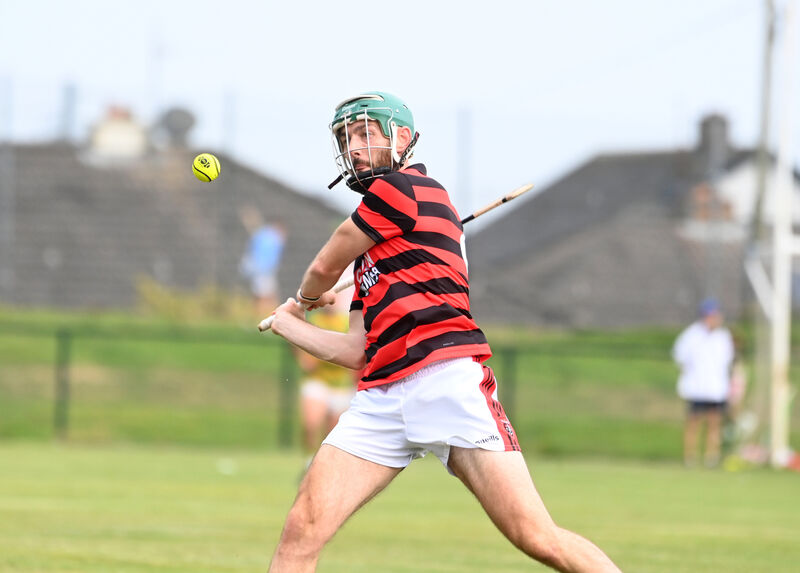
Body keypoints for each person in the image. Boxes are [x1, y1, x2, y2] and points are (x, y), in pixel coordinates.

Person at [267, 91, 622, 572]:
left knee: (536, 537)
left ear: (404, 139)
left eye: (366, 133)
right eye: (347, 138)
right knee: (301, 529)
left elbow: (323, 264)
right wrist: (290, 327)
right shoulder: (376, 253)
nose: (354, 147)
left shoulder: (404, 189)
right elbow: (355, 351)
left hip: (446, 382)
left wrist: (303, 302)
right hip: (381, 398)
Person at [295, 277, 357, 467]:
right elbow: (297, 341)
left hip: (341, 386)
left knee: (332, 435)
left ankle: (322, 465)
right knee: (311, 424)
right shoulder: (314, 320)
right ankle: (309, 461)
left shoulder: (347, 322)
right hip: (319, 381)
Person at [672, 298, 734, 468]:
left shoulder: (723, 336)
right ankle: (690, 457)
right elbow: (680, 357)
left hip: (716, 388)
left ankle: (711, 458)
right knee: (693, 422)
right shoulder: (691, 335)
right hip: (697, 387)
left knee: (715, 423)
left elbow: (727, 361)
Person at [238, 207, 286, 317]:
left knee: (264, 295)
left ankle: (265, 318)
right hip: (263, 270)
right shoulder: (272, 238)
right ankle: (266, 318)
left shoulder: (263, 234)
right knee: (264, 297)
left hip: (260, 270)